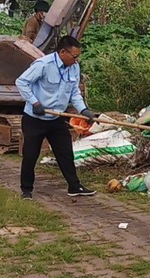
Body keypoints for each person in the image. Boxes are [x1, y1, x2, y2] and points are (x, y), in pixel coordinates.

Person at [15, 35, 97, 199]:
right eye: (74, 56)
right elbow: (21, 82)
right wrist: (35, 103)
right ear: (63, 52)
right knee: (31, 155)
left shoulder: (74, 67)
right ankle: (26, 190)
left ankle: (74, 186)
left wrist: (84, 110)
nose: (76, 60)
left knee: (65, 153)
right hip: (34, 119)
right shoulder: (43, 65)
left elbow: (74, 92)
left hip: (56, 119)